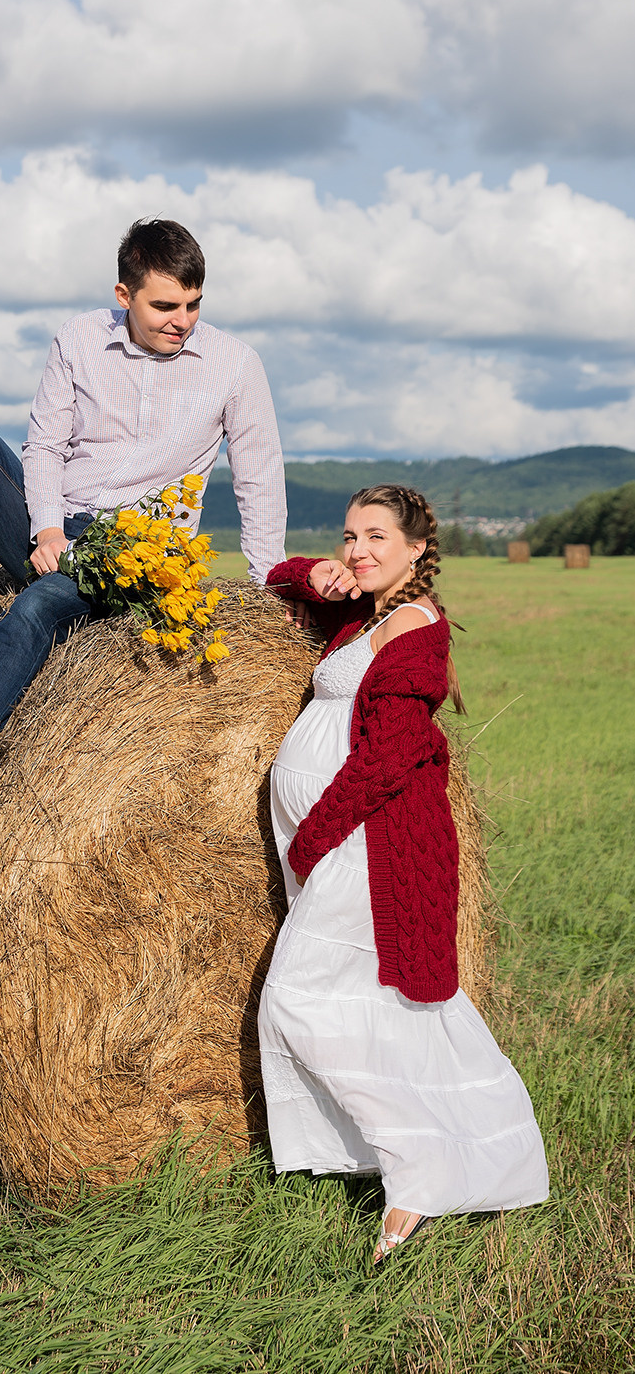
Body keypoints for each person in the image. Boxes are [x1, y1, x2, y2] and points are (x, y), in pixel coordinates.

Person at [0, 218, 287, 855]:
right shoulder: (78, 340)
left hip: (141, 547)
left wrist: (267, 593)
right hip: (55, 520)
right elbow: (45, 446)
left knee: (33, 608)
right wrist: (48, 525)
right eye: (164, 305)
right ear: (124, 295)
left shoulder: (234, 366)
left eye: (194, 305)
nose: (182, 320)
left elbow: (260, 478)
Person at [259, 485, 548, 1268]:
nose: (359, 549)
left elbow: (386, 758)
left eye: (375, 536)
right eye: (349, 535)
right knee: (370, 1005)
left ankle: (416, 1170)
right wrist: (315, 571)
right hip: (338, 840)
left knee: (296, 998)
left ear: (418, 547)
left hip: (367, 840)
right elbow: (275, 580)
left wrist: (311, 839)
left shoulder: (416, 631)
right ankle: (424, 1159)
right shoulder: (365, 615)